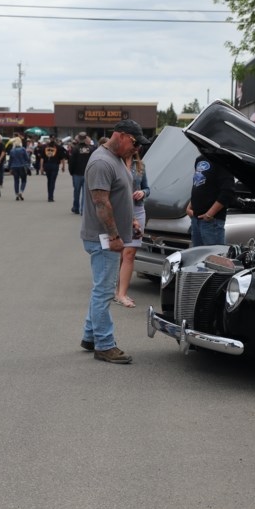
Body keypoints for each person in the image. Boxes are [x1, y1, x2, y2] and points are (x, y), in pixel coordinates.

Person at [79, 119, 150, 364]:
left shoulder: (116, 159)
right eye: (134, 142)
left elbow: (118, 198)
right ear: (120, 135)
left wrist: (130, 222)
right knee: (104, 292)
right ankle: (105, 345)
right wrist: (114, 236)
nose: (137, 148)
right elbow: (101, 203)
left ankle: (90, 337)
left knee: (100, 289)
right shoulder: (101, 162)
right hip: (103, 238)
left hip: (109, 235)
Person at [115, 147, 150, 308]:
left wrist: (143, 192)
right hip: (118, 211)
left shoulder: (140, 165)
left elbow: (147, 188)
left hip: (138, 211)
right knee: (117, 252)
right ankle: (111, 288)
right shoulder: (114, 162)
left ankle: (121, 293)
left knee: (129, 253)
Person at [186, 152, 235, 247]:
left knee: (213, 258)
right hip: (195, 220)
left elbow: (228, 192)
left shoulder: (222, 160)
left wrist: (209, 214)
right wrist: (189, 207)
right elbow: (198, 184)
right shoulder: (199, 159)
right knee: (197, 258)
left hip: (212, 222)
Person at [68, 132, 94, 214]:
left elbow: (71, 162)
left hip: (77, 173)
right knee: (85, 192)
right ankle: (83, 209)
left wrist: (71, 171)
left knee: (76, 191)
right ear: (86, 138)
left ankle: (76, 208)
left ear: (78, 139)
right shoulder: (91, 149)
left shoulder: (75, 149)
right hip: (87, 173)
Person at [39, 136, 68, 202]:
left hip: (47, 165)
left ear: (49, 139)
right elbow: (62, 158)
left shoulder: (45, 147)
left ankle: (49, 195)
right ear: (55, 139)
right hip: (55, 165)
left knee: (49, 180)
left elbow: (42, 158)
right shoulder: (59, 147)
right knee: (52, 180)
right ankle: (51, 196)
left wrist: (41, 167)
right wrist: (63, 166)